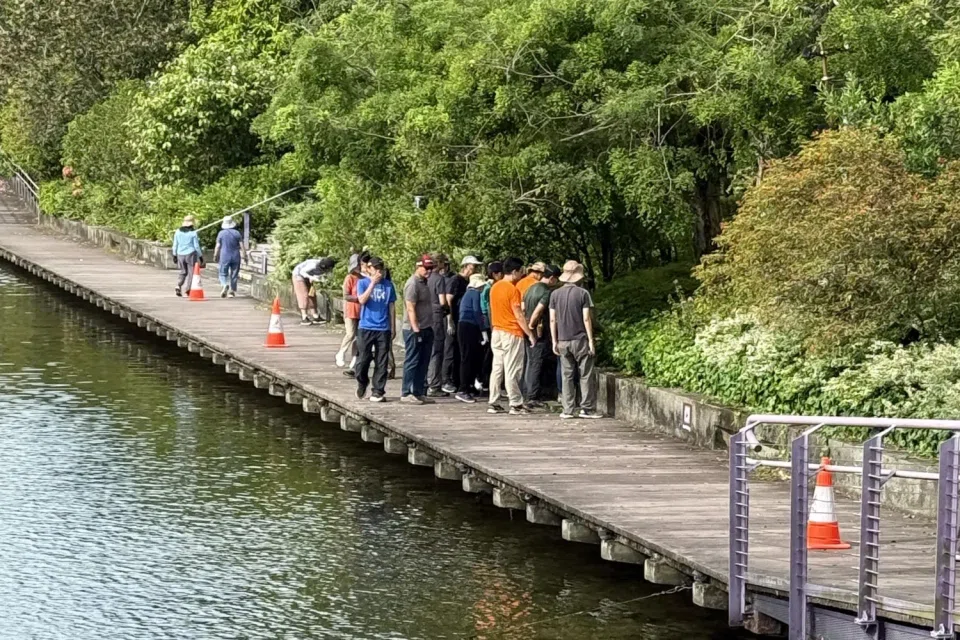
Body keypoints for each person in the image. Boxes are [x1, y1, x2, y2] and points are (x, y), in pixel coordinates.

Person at [550, 260, 601, 419]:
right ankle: (586, 409)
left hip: (563, 340)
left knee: (567, 375)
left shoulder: (554, 294)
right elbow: (586, 318)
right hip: (580, 339)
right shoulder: (583, 294)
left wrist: (554, 340)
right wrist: (591, 340)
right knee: (585, 374)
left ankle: (567, 409)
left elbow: (553, 319)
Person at [488, 257, 536, 415]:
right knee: (513, 369)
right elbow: (518, 314)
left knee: (497, 368)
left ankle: (493, 401)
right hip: (512, 332)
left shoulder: (495, 287)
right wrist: (530, 334)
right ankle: (515, 403)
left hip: (497, 331)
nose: (522, 274)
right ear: (514, 271)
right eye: (521, 271)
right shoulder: (512, 289)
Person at [440, 255, 483, 394]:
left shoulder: (468, 282)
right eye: (473, 266)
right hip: (456, 319)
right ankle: (447, 380)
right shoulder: (455, 280)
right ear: (465, 266)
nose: (475, 269)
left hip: (463, 320)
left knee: (462, 352)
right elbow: (448, 300)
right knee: (451, 350)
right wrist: (450, 320)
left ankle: (460, 381)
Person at [355, 256, 396, 402]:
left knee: (382, 361)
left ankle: (378, 390)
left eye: (380, 268)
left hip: (383, 327)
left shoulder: (388, 285)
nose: (378, 271)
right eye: (375, 268)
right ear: (369, 268)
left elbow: (391, 306)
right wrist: (372, 283)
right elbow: (361, 300)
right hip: (366, 326)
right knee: (363, 359)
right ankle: (362, 381)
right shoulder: (362, 282)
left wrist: (392, 327)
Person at [523, 264, 560, 406]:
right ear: (551, 278)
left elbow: (523, 307)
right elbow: (539, 310)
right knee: (536, 362)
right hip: (538, 332)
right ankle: (532, 397)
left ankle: (527, 391)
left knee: (529, 361)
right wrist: (532, 325)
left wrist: (527, 327)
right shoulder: (546, 292)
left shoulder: (530, 288)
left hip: (527, 331)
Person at [401, 254, 436, 404]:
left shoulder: (424, 282)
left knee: (424, 361)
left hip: (427, 327)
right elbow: (410, 308)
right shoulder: (412, 284)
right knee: (412, 360)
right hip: (414, 329)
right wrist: (416, 329)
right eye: (426, 268)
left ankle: (418, 391)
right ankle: (406, 392)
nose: (429, 271)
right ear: (418, 267)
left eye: (431, 268)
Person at [455, 272, 488, 403]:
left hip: (465, 326)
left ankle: (468, 386)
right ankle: (463, 389)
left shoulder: (467, 294)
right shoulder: (474, 294)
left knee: (469, 357)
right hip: (468, 326)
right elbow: (477, 311)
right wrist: (483, 329)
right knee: (467, 358)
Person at [426, 253, 451, 396]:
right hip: (436, 316)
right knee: (437, 350)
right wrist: (447, 311)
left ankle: (423, 381)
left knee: (425, 350)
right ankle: (435, 385)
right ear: (439, 264)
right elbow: (442, 301)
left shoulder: (424, 278)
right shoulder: (439, 279)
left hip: (424, 316)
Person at [479, 261, 503, 392]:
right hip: (488, 320)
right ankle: (484, 380)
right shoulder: (490, 287)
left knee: (490, 353)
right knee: (489, 353)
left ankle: (485, 380)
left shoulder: (489, 286)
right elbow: (489, 308)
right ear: (495, 274)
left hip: (488, 320)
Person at [292, 256, 336, 325]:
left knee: (312, 294)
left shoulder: (324, 268)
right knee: (304, 295)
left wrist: (317, 278)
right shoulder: (313, 265)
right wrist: (311, 277)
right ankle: (304, 317)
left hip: (309, 276)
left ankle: (315, 316)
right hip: (298, 275)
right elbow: (302, 272)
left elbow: (319, 275)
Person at [337, 254, 362, 373]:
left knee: (358, 337)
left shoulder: (363, 278)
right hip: (351, 310)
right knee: (350, 333)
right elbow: (346, 295)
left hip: (361, 311)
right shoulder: (349, 278)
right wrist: (358, 298)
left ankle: (354, 359)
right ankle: (341, 352)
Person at [213, 216, 247, 298]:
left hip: (225, 255)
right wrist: (245, 256)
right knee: (234, 274)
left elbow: (218, 246)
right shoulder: (237, 233)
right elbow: (242, 246)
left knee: (222, 273)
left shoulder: (221, 233)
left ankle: (224, 285)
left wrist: (215, 255)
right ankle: (232, 291)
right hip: (236, 255)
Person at [172, 215, 203, 297]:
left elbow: (175, 244)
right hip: (191, 254)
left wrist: (174, 255)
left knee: (183, 271)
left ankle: (178, 285)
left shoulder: (177, 232)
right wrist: (200, 256)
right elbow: (196, 246)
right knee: (191, 273)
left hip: (180, 254)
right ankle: (188, 289)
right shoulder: (193, 233)